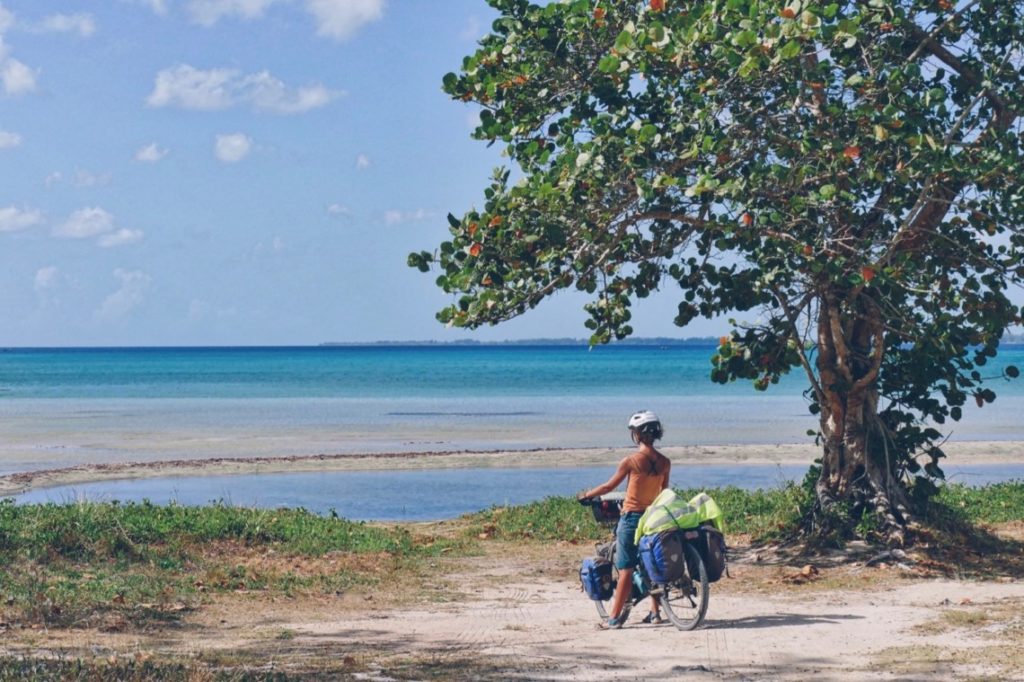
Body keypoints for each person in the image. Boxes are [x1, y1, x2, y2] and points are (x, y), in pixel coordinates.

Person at [578, 410, 671, 629]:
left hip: (631, 518)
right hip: (652, 518)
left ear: (637, 434)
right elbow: (663, 492)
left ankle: (613, 619)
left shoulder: (631, 461)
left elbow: (609, 487)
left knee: (625, 569)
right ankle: (655, 613)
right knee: (650, 563)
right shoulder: (665, 462)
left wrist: (586, 495)